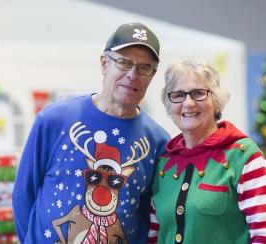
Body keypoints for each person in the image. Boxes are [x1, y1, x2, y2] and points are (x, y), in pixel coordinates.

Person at [12, 22, 170, 244]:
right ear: (104, 63)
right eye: (124, 63)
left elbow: (149, 216)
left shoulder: (158, 142)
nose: (133, 74)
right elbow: (23, 196)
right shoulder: (54, 120)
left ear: (152, 76)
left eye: (144, 68)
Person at [148, 60, 266, 243]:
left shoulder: (244, 158)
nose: (188, 103)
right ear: (169, 106)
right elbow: (154, 236)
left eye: (198, 93)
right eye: (178, 95)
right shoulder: (164, 164)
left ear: (216, 101)